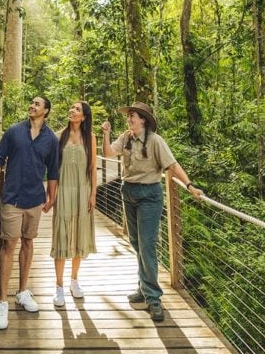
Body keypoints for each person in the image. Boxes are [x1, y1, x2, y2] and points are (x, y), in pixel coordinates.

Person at [101, 101, 203, 323]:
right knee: (137, 244)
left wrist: (190, 186)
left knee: (147, 246)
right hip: (128, 193)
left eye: (133, 116)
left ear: (143, 120)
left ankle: (154, 299)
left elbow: (172, 166)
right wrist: (106, 134)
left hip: (149, 196)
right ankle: (144, 287)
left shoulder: (156, 141)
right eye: (129, 116)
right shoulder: (126, 137)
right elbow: (108, 154)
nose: (129, 119)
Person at [0, 96, 60, 330]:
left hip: (34, 200)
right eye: (32, 103)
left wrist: (52, 197)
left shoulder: (50, 139)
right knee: (9, 245)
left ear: (46, 111)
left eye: (37, 104)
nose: (32, 105)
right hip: (11, 197)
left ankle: (22, 292)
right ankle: (2, 301)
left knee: (28, 243)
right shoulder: (14, 131)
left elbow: (53, 172)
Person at [50, 101, 97, 308]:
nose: (72, 110)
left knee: (79, 234)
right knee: (61, 236)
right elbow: (52, 168)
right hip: (64, 192)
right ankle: (59, 286)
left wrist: (93, 193)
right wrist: (51, 195)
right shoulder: (59, 136)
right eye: (71, 108)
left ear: (84, 117)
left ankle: (74, 280)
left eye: (77, 109)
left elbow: (94, 168)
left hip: (83, 191)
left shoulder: (90, 138)